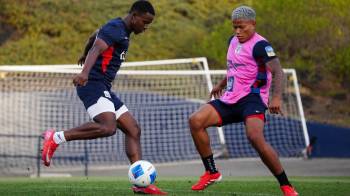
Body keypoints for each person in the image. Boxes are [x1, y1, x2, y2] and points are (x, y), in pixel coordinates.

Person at [41, 1, 166, 195]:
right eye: (145, 22)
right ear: (134, 16)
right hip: (92, 84)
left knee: (133, 129)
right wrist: (84, 72)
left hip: (104, 87)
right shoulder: (116, 27)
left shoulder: (118, 29)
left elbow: (94, 36)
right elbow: (97, 47)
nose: (146, 27)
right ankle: (56, 138)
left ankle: (140, 185)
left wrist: (84, 54)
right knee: (108, 127)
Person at [188, 6, 298, 196]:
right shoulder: (232, 41)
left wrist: (277, 97)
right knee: (195, 120)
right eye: (235, 27)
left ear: (253, 24)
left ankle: (286, 185)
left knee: (255, 137)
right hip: (230, 97)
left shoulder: (261, 46)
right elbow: (235, 67)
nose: (238, 32)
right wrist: (221, 84)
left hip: (252, 99)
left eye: (242, 27)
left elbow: (278, 71)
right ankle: (212, 172)